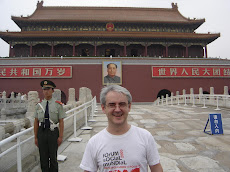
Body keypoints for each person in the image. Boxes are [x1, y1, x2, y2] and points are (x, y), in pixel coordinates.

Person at [80, 85, 163, 172]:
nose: (117, 109)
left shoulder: (145, 136)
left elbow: (156, 167)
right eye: (112, 105)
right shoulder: (94, 142)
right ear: (103, 108)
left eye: (122, 104)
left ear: (129, 107)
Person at [34, 80, 66, 172]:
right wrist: (36, 137)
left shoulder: (58, 105)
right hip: (42, 132)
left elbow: (61, 121)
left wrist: (60, 136)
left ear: (52, 91)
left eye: (48, 89)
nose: (46, 91)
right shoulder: (38, 106)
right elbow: (36, 122)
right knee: (43, 158)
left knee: (53, 157)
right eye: (44, 89)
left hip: (53, 132)